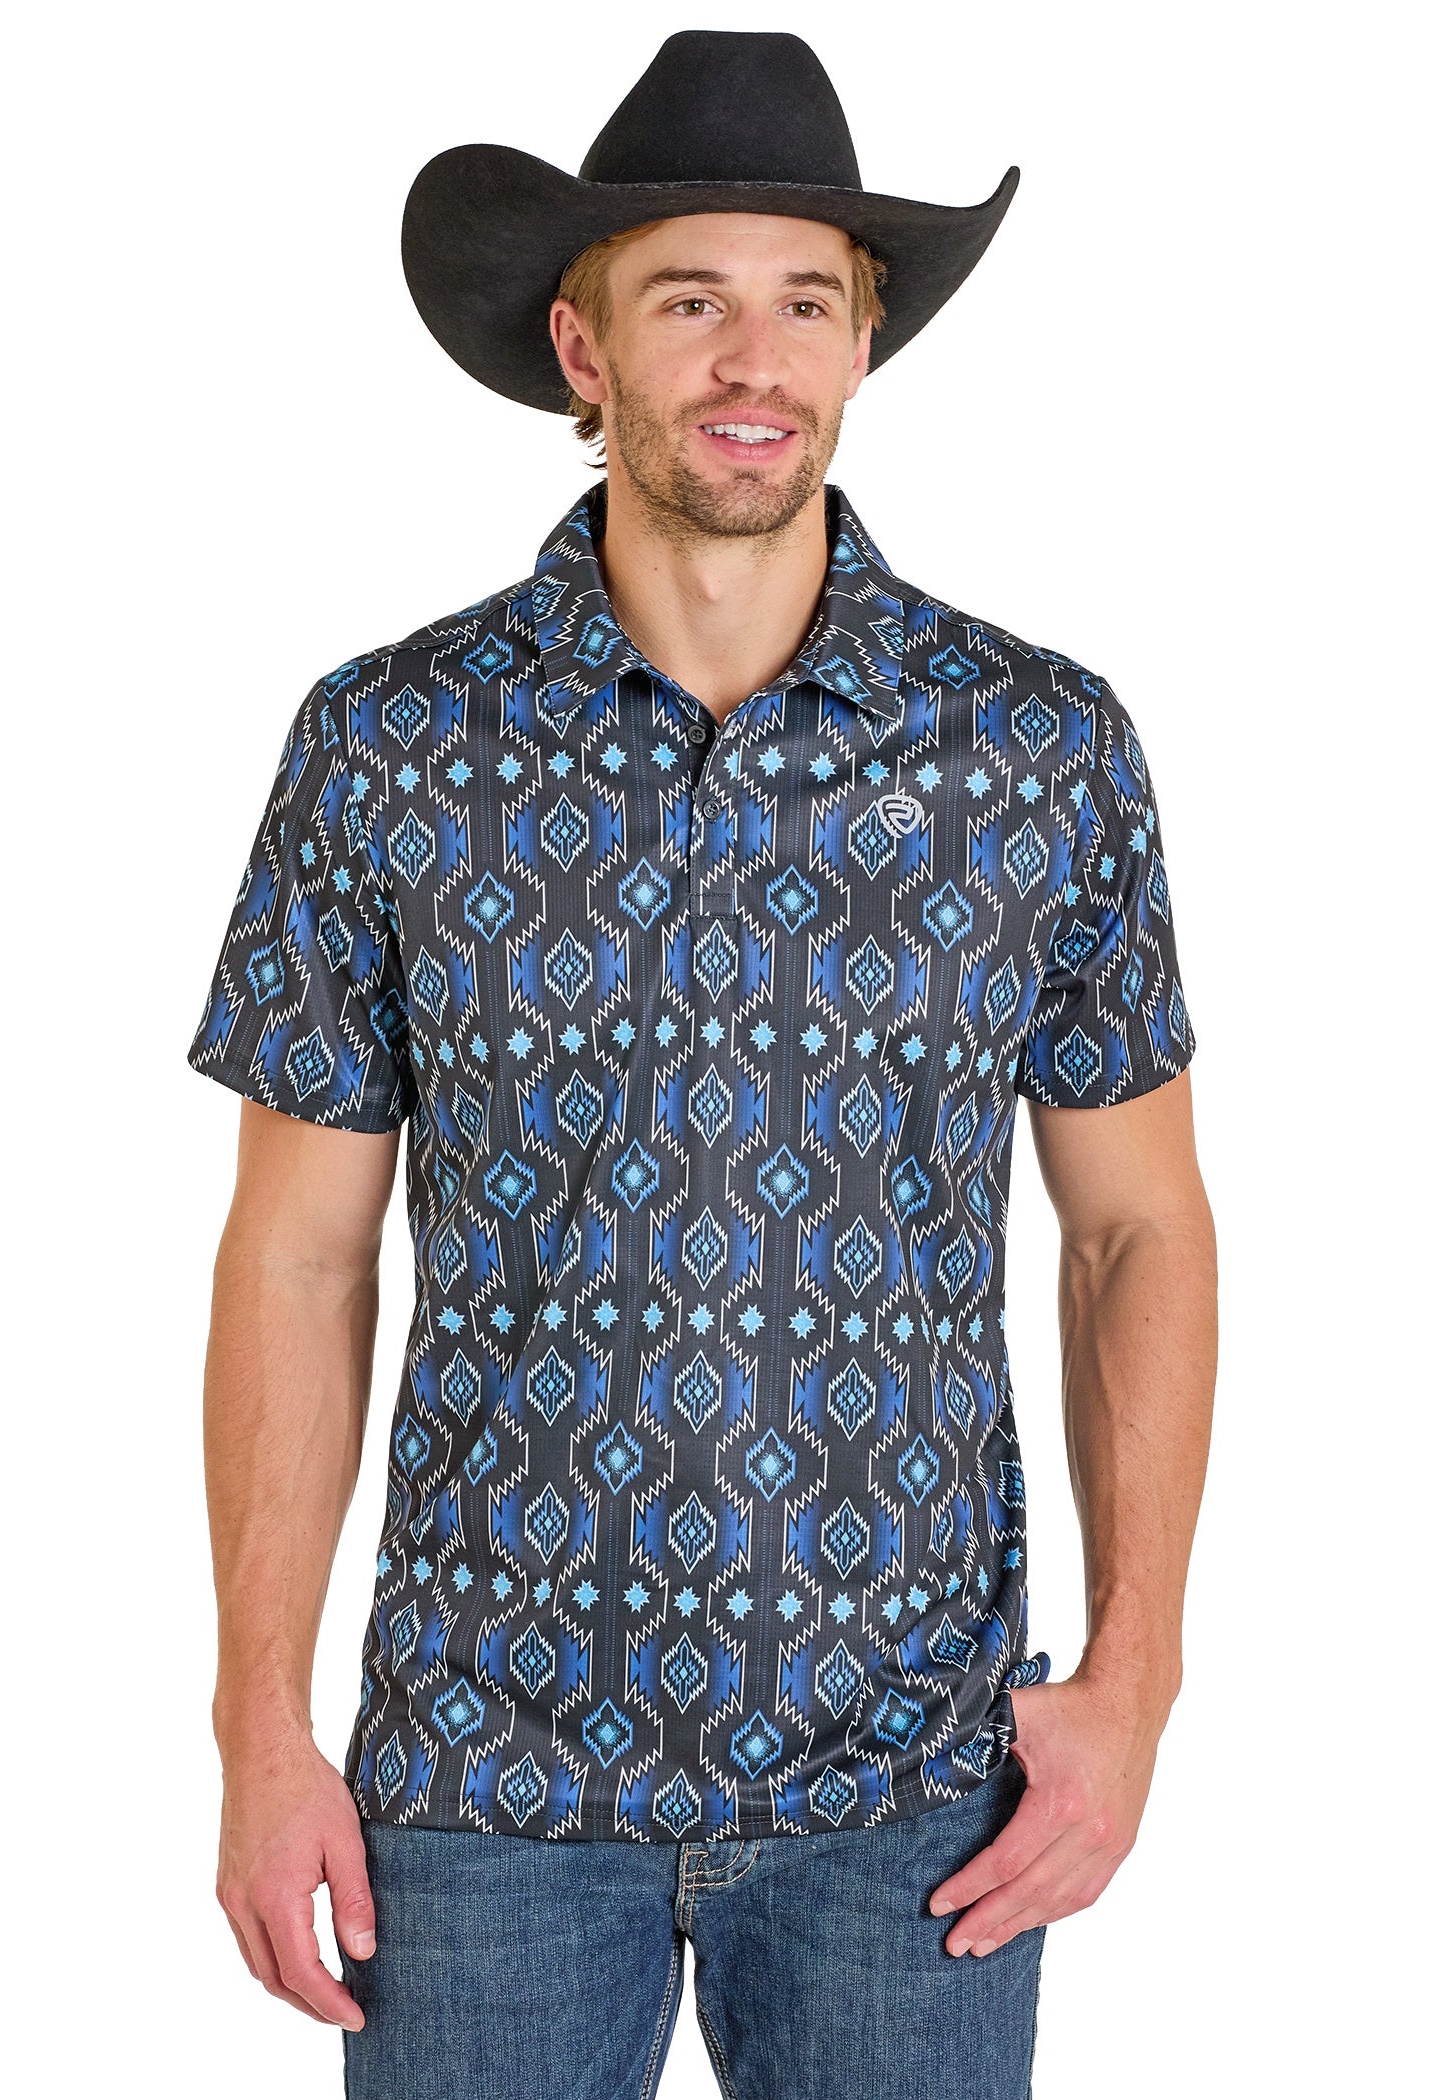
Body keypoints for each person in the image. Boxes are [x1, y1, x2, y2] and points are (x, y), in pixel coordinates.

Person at [186, 29, 1217, 2100]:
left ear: (864, 344)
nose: (756, 360)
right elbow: (295, 1256)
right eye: (690, 302)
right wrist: (260, 1730)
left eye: (806, 302)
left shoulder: (1040, 751)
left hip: (914, 1793)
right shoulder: (389, 745)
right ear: (583, 348)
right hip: (477, 1781)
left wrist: (1135, 1687)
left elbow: (1138, 1234)